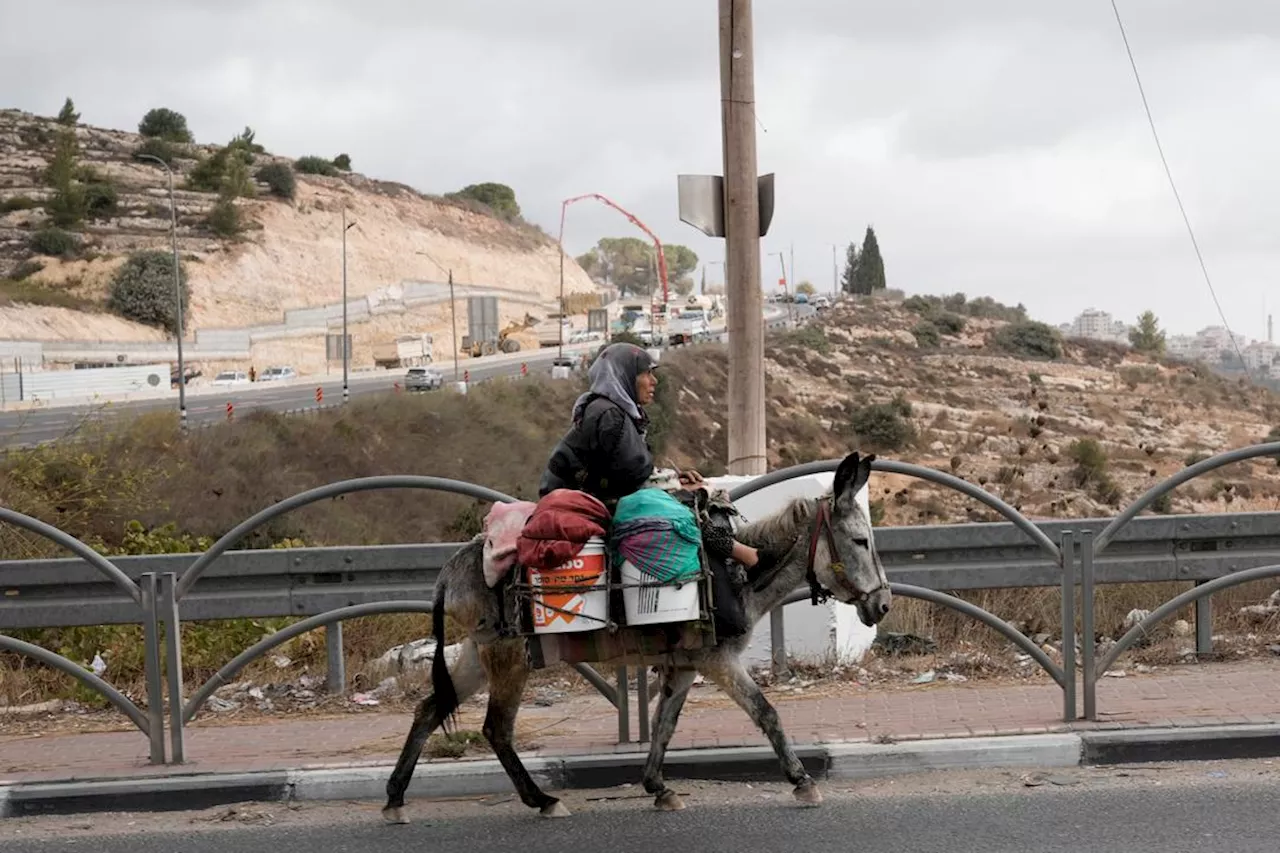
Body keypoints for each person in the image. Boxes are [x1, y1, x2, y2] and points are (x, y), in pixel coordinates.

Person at [539, 342, 761, 636]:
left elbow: (630, 473)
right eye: (646, 373)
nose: (653, 381)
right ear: (625, 376)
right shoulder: (609, 416)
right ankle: (732, 587)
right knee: (686, 510)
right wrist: (679, 487)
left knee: (689, 498)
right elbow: (631, 477)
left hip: (593, 500)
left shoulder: (614, 412)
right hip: (581, 507)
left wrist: (674, 479)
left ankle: (735, 569)